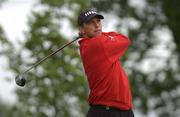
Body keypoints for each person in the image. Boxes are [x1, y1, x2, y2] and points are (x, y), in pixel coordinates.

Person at [77, 9, 135, 117]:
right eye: (90, 23)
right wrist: (103, 34)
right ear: (81, 29)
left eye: (98, 21)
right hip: (106, 111)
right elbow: (124, 40)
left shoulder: (92, 43)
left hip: (124, 111)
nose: (97, 25)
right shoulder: (97, 44)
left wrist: (100, 34)